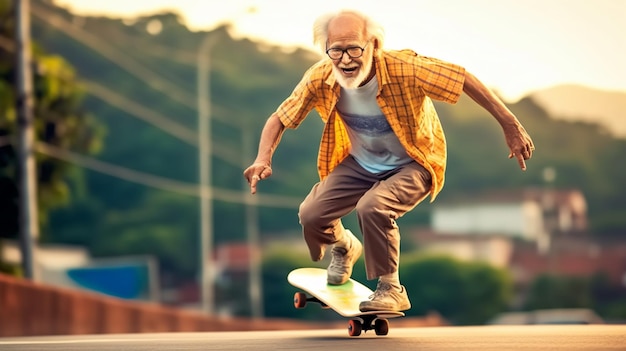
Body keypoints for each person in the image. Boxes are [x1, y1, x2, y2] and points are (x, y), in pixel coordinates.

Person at [243, 9, 534, 312]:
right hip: (360, 162)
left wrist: (510, 125)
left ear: (374, 45)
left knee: (373, 206)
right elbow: (280, 117)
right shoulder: (321, 76)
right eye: (336, 50)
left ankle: (391, 288)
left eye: (354, 48)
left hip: (413, 162)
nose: (345, 59)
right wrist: (264, 157)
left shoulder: (405, 68)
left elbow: (462, 79)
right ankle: (345, 247)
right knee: (312, 214)